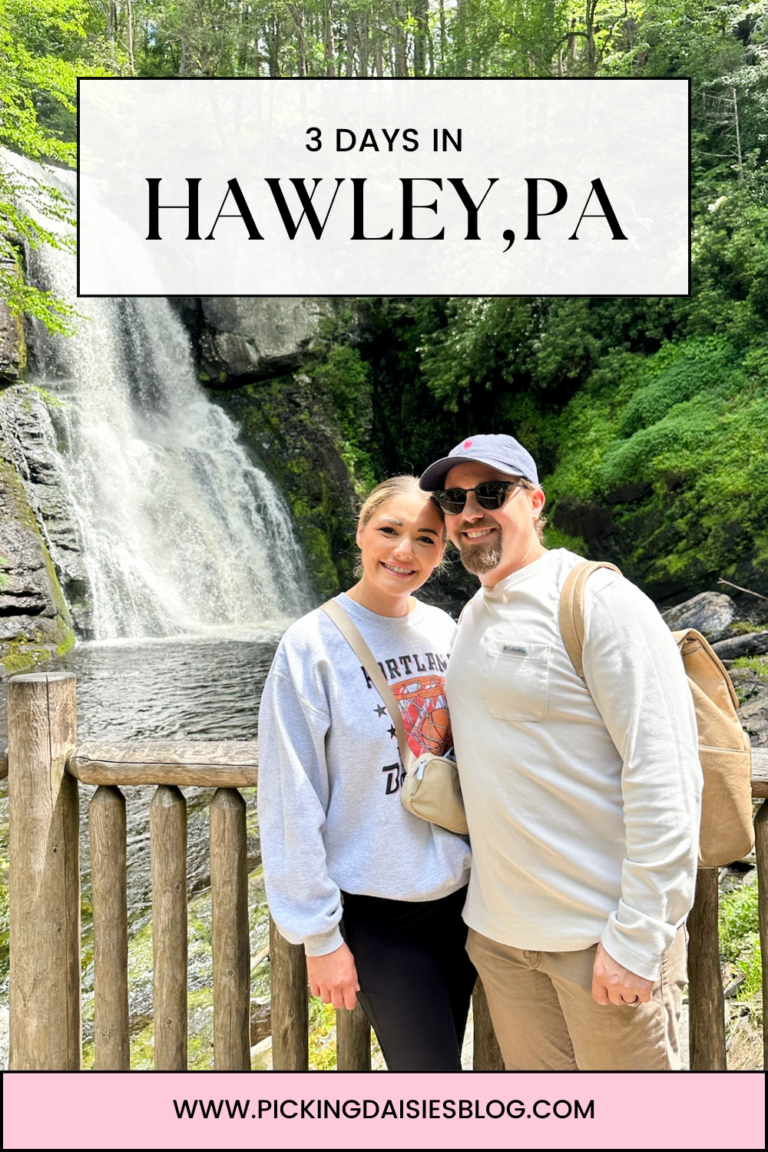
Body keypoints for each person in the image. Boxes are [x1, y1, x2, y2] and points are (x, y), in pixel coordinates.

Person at [418, 433, 703, 1071]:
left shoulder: (599, 602)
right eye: (453, 500)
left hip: (601, 940)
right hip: (500, 939)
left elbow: (666, 776)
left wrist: (638, 937)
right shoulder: (470, 618)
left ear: (535, 500)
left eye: (490, 493)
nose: (468, 514)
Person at [257, 475, 475, 1071]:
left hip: (465, 898)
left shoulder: (444, 630)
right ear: (361, 532)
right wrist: (320, 937)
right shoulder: (310, 646)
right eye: (390, 531)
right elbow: (290, 795)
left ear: (443, 550)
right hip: (380, 910)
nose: (405, 552)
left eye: (426, 539)